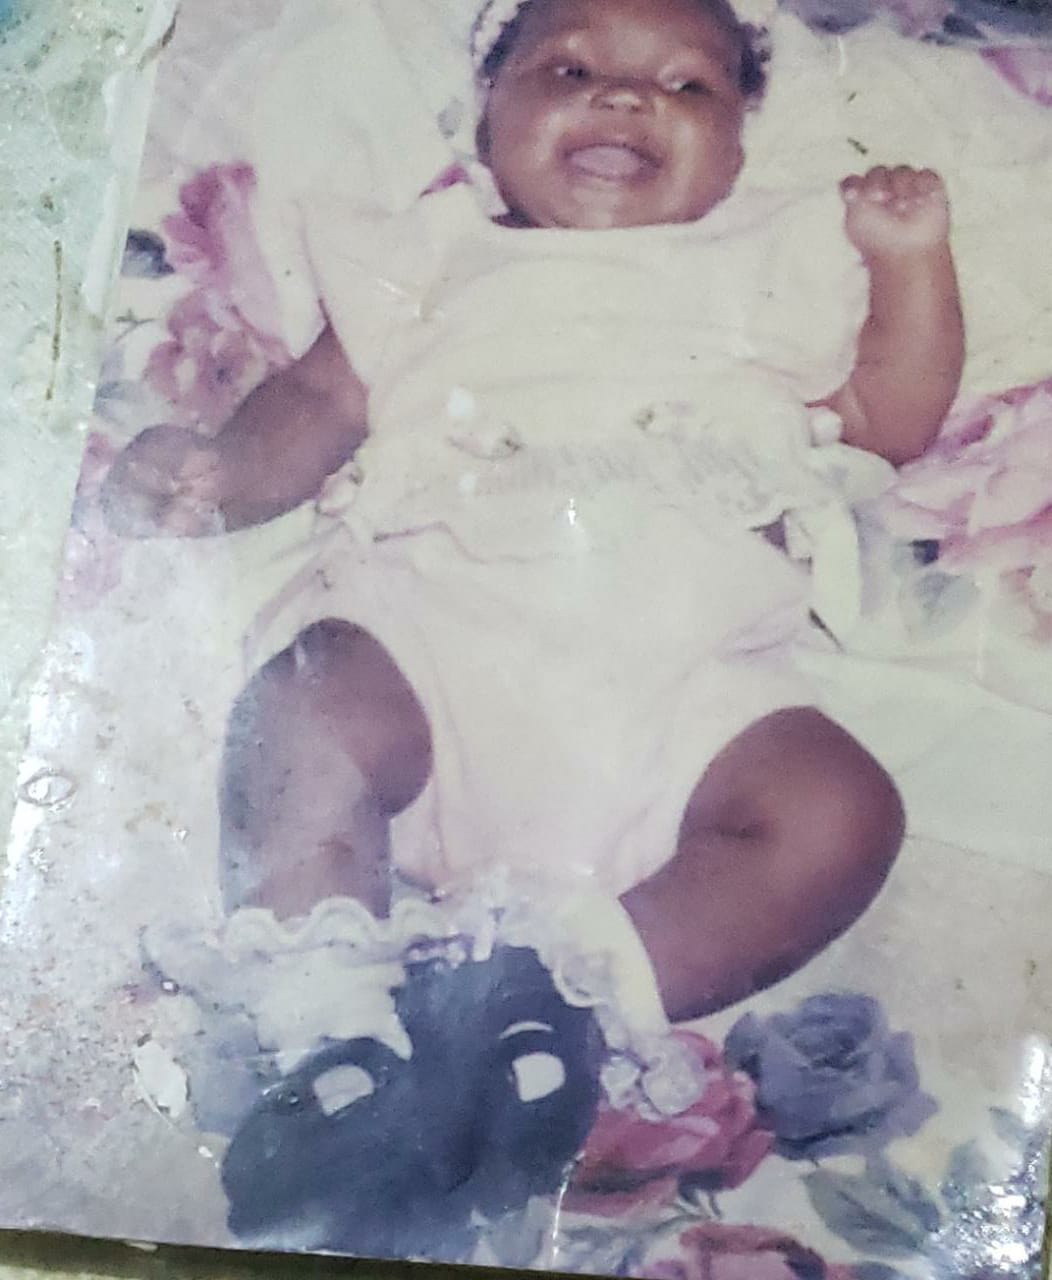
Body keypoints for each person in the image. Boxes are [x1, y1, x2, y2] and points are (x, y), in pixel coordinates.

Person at [104, 0, 964, 1026]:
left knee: (837, 811)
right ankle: (316, 1011)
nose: (623, 94)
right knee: (304, 705)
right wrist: (217, 475)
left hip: (688, 698)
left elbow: (885, 417)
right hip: (432, 659)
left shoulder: (768, 266)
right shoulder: (429, 257)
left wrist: (910, 262)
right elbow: (322, 400)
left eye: (687, 85)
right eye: (564, 71)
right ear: (486, 121)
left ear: (739, 151)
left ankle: (557, 1008)